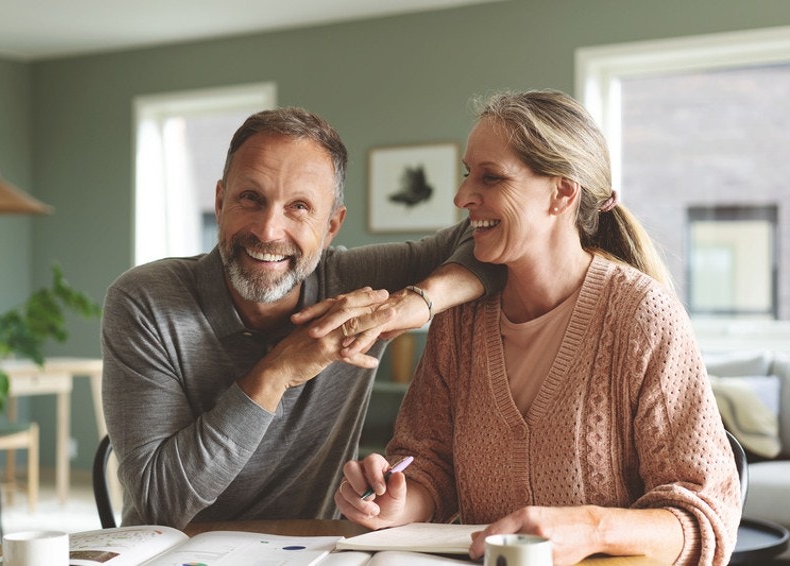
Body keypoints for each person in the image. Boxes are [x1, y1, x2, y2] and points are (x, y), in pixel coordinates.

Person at [334, 90, 742, 565]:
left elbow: (706, 515)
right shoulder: (460, 321)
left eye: (491, 177)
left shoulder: (641, 316)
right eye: (469, 174)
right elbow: (429, 464)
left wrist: (590, 528)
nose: (463, 196)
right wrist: (402, 500)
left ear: (562, 193)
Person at [101, 106, 503, 529]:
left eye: (298, 207)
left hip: (312, 552)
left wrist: (415, 303)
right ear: (220, 202)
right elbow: (158, 504)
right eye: (250, 198)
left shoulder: (355, 284)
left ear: (332, 227)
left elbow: (498, 243)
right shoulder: (144, 301)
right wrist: (277, 372)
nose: (268, 230)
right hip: (180, 552)